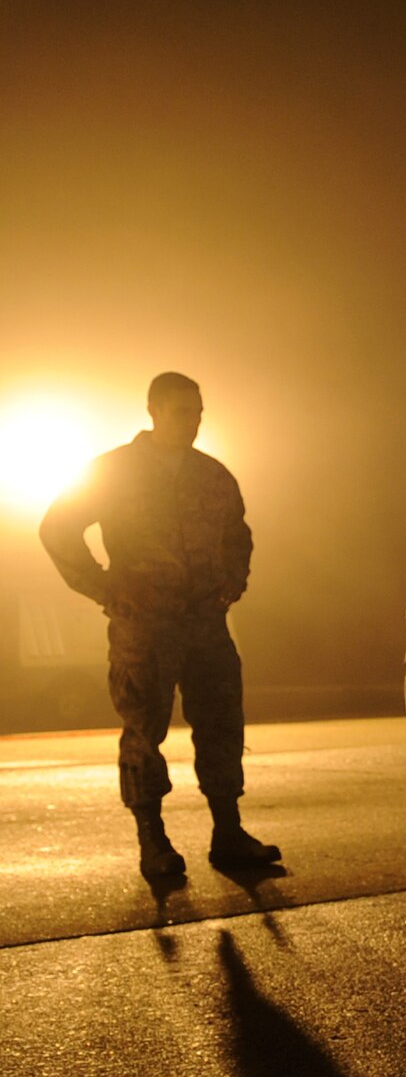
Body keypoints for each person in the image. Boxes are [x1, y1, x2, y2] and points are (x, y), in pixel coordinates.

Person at [39, 372, 280, 880]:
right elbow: (57, 528)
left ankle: (228, 833)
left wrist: (235, 578)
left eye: (196, 412)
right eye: (179, 411)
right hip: (145, 625)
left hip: (206, 624)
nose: (190, 422)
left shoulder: (213, 475)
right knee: (145, 734)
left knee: (221, 727)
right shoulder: (114, 471)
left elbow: (238, 534)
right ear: (153, 411)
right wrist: (105, 589)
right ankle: (154, 842)